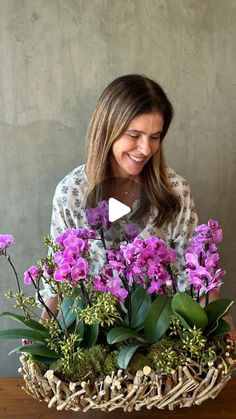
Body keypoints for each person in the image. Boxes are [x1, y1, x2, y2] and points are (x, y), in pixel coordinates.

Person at [41, 74, 235, 337]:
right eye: (134, 135)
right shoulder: (71, 193)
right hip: (93, 344)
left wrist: (222, 331)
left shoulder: (174, 191)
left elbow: (196, 279)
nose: (145, 149)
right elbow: (58, 283)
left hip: (164, 342)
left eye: (155, 136)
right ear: (108, 129)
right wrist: (44, 342)